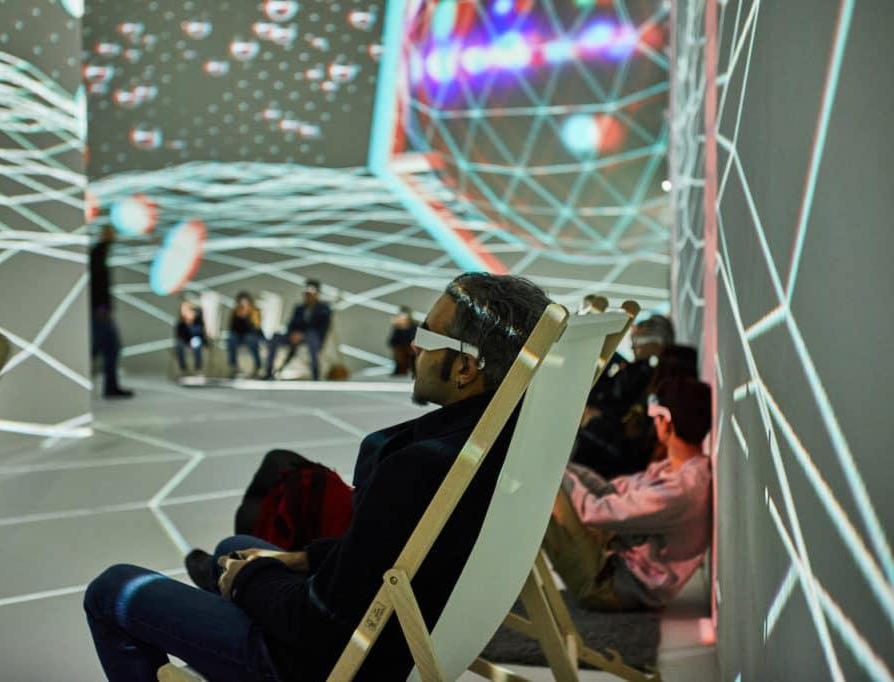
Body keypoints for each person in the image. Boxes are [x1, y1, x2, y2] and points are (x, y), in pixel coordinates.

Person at [83, 273, 552, 681]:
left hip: (335, 665)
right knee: (235, 549)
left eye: (428, 339)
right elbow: (399, 558)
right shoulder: (506, 445)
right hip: (414, 633)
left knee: (111, 589)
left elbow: (320, 627)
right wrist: (297, 561)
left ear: (466, 368)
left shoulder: (420, 466)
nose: (413, 345)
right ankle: (229, 575)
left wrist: (249, 581)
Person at [548, 376, 712, 611]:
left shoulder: (681, 491)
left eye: (655, 418)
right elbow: (614, 493)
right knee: (555, 478)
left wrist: (557, 474)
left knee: (548, 487)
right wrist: (564, 469)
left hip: (610, 586)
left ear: (666, 423)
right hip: (617, 562)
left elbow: (595, 512)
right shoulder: (683, 470)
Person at [90, 226, 133, 398]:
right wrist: (101, 308)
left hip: (100, 311)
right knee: (108, 348)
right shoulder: (98, 253)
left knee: (106, 349)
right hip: (100, 311)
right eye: (112, 233)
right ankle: (110, 387)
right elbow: (97, 284)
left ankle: (111, 387)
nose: (114, 236)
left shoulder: (100, 253)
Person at [264, 279, 332, 381]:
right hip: (295, 336)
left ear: (317, 294)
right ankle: (269, 372)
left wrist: (302, 335)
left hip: (312, 338)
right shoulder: (299, 308)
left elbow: (321, 328)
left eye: (311, 293)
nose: (308, 296)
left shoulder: (324, 309)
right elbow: (291, 324)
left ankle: (315, 374)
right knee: (275, 338)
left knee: (312, 336)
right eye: (306, 293)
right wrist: (293, 334)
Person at [227, 291, 263, 378]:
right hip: (239, 336)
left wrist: (248, 315)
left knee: (251, 340)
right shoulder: (235, 312)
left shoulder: (255, 311)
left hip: (252, 335)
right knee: (231, 339)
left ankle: (258, 367)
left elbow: (256, 327)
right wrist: (240, 316)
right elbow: (232, 327)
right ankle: (233, 367)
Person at [174, 301, 207, 375]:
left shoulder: (198, 321)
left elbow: (199, 334)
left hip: (196, 339)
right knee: (179, 344)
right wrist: (187, 323)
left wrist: (192, 323)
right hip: (185, 341)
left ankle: (198, 367)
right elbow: (179, 335)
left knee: (196, 343)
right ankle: (183, 367)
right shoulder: (181, 323)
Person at [387, 305, 417, 376]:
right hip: (400, 349)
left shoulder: (413, 326)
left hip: (411, 348)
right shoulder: (397, 328)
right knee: (399, 352)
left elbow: (413, 339)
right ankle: (401, 368)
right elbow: (392, 341)